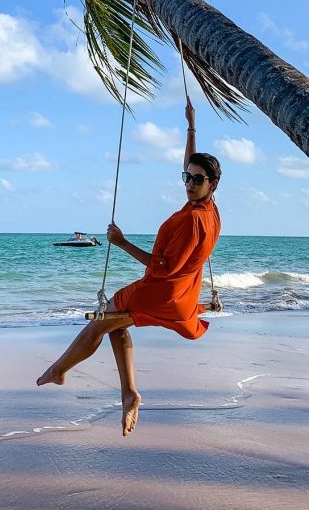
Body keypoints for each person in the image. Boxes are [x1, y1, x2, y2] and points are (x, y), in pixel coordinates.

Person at [37, 96, 221, 436]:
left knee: (99, 324)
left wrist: (121, 243)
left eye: (197, 179)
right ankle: (128, 393)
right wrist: (190, 126)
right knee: (114, 326)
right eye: (188, 177)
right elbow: (190, 162)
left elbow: (162, 269)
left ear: (212, 184)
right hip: (180, 295)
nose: (189, 183)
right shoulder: (209, 210)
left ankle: (58, 370)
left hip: (160, 292)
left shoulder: (192, 221)